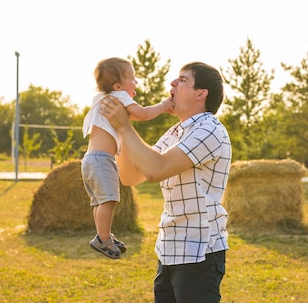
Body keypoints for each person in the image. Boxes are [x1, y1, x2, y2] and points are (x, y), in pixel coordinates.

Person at [100, 61, 231, 302]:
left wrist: (125, 126)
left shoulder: (209, 129)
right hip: (170, 249)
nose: (172, 83)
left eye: (182, 80)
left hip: (199, 252)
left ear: (201, 94)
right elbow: (131, 176)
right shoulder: (176, 132)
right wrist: (121, 129)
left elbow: (155, 169)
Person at [82, 57, 174, 260]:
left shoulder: (100, 99)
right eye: (133, 78)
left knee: (99, 201)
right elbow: (143, 113)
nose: (137, 83)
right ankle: (103, 240)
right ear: (117, 86)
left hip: (89, 159)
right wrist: (163, 105)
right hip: (102, 159)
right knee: (109, 200)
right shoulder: (120, 97)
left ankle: (103, 235)